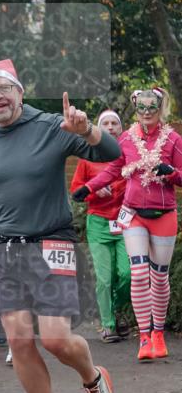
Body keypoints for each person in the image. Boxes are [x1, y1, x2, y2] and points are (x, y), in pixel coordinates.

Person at [0, 58, 121, 393]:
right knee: (17, 338)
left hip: (53, 243)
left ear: (19, 92)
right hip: (7, 249)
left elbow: (111, 153)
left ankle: (94, 377)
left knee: (54, 338)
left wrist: (87, 129)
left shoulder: (52, 126)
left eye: (3, 88)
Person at [72, 87, 181, 361]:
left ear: (160, 109)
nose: (146, 113)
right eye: (141, 108)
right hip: (133, 214)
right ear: (135, 108)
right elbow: (112, 168)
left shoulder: (173, 140)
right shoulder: (126, 139)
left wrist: (172, 174)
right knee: (139, 273)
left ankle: (158, 333)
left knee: (158, 277)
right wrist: (88, 188)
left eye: (151, 108)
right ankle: (144, 337)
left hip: (164, 215)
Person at [70, 109, 130, 343]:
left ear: (121, 128)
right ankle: (108, 325)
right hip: (98, 222)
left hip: (126, 221)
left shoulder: (128, 155)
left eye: (115, 123)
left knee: (127, 274)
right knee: (104, 278)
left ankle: (115, 309)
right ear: (98, 129)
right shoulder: (88, 157)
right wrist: (95, 191)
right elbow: (77, 190)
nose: (111, 126)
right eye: (105, 123)